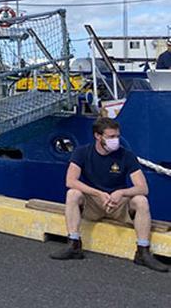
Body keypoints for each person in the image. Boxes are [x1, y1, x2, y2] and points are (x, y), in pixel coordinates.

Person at [49, 116, 168, 272]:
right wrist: (98, 194)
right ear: (98, 136)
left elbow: (143, 188)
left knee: (141, 201)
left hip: (119, 205)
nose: (116, 140)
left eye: (117, 136)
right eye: (111, 137)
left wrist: (121, 193)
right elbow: (70, 181)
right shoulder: (82, 152)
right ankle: (74, 244)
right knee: (73, 194)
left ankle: (142, 252)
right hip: (95, 204)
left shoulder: (126, 156)